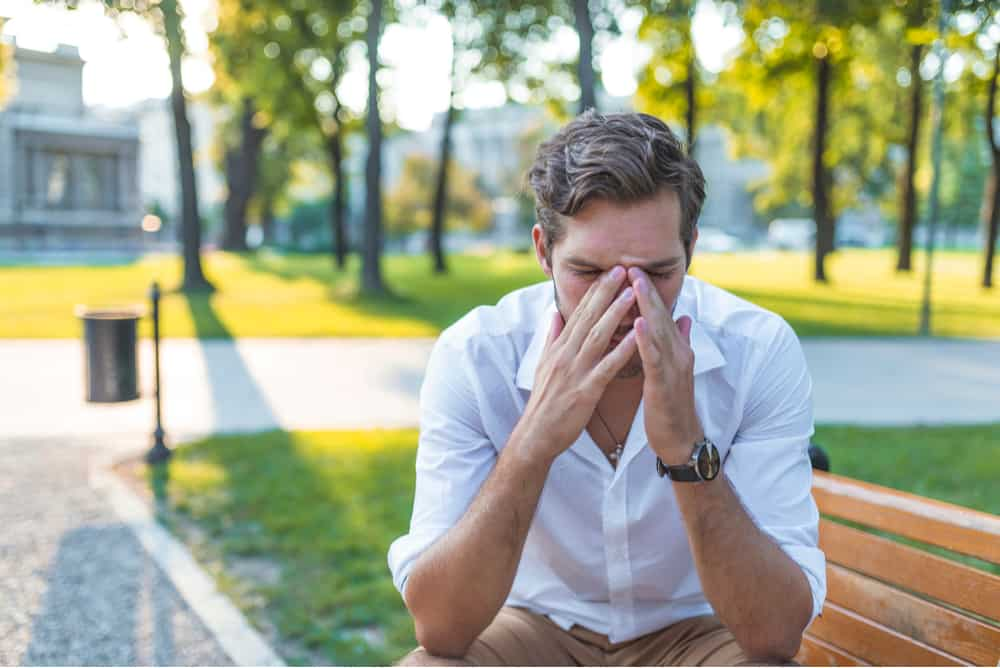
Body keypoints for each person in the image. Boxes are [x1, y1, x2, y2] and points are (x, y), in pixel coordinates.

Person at [388, 110, 825, 666]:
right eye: (590, 274)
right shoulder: (477, 354)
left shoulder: (756, 349)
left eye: (658, 273)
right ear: (543, 250)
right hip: (535, 628)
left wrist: (688, 451)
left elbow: (774, 636)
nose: (625, 304)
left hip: (697, 634)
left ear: (691, 246)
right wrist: (535, 439)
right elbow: (441, 628)